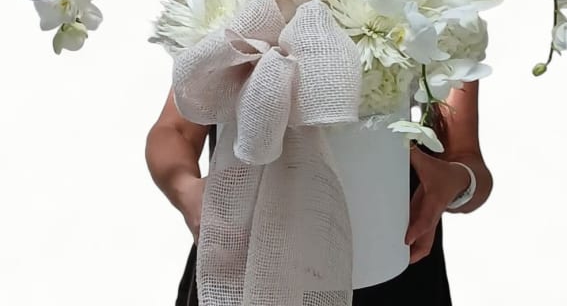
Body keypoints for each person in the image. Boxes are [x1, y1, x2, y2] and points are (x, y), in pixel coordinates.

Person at [145, 79, 493, 305]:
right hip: (248, 259)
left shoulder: (435, 1)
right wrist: (188, 191)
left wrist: (457, 181)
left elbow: (468, 159)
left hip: (391, 260)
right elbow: (174, 129)